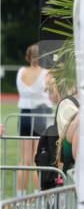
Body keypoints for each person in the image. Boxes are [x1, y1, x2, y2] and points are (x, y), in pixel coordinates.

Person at [16, 44, 51, 190]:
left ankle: (20, 198)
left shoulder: (21, 71)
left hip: (24, 114)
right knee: (39, 159)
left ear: (28, 56)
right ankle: (38, 197)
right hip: (40, 115)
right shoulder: (46, 73)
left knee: (24, 160)